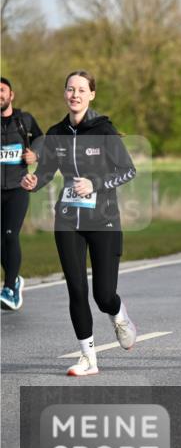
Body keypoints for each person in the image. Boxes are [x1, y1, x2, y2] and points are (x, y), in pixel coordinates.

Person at [21, 71, 138, 376]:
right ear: (65, 94)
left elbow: (128, 171)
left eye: (81, 90)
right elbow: (46, 171)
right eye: (70, 89)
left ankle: (119, 314)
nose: (75, 94)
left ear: (91, 95)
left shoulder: (104, 130)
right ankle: (88, 358)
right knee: (75, 289)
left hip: (104, 220)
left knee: (103, 295)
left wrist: (96, 183)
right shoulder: (56, 132)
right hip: (68, 218)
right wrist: (33, 181)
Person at [1, 76, 43, 311]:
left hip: (17, 188)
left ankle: (9, 288)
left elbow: (41, 139)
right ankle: (14, 280)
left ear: (11, 95)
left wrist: (34, 155)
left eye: (2, 90)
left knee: (10, 235)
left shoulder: (23, 120)